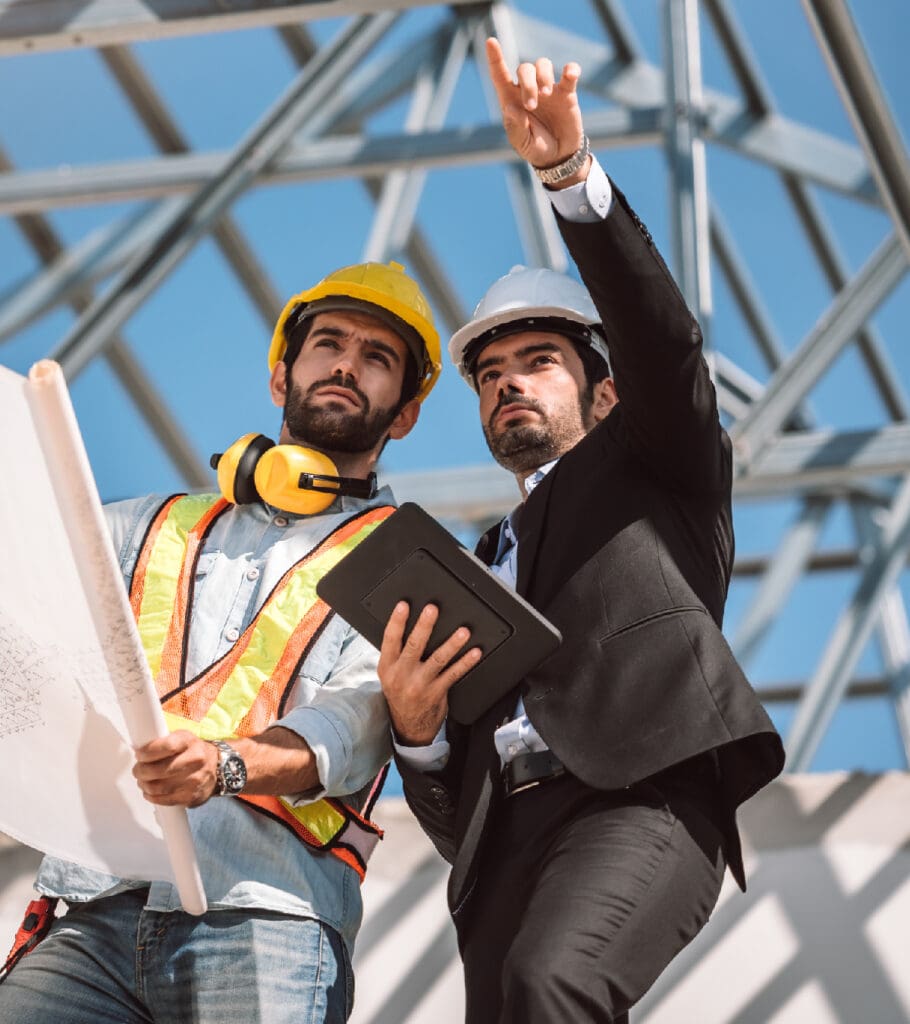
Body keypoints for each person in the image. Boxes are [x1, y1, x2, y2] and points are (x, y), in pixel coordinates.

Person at [377, 38, 785, 1023]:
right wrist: (420, 732)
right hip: (503, 853)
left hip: (637, 801)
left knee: (553, 983)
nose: (507, 378)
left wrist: (568, 174)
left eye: (538, 359)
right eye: (488, 372)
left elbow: (664, 342)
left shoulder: (655, 467)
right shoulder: (468, 571)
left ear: (604, 396)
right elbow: (447, 816)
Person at [0, 261, 442, 1023]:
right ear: (281, 378)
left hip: (267, 916)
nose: (345, 363)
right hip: (90, 907)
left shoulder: (406, 563)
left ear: (402, 416)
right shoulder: (140, 525)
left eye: (378, 358)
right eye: (328, 343)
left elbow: (355, 725)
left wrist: (227, 766)